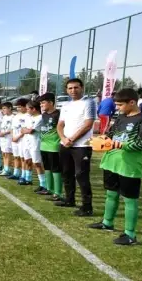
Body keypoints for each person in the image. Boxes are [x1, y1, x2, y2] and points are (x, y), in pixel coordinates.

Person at [88, 88, 142, 245]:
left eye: (120, 105)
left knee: (130, 200)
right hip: (111, 162)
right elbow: (110, 135)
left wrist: (119, 144)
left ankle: (130, 235)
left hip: (129, 166)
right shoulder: (121, 118)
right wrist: (102, 138)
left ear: (132, 102)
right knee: (111, 194)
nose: (117, 108)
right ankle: (107, 222)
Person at [56, 78, 96, 216]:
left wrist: (72, 139)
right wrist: (63, 139)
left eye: (76, 87)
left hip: (81, 146)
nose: (73, 90)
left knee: (81, 175)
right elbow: (60, 125)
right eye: (70, 88)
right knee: (66, 173)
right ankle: (69, 199)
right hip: (65, 144)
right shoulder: (66, 105)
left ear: (82, 88)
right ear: (67, 90)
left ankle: (87, 207)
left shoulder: (89, 102)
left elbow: (88, 124)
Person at [39, 93, 63, 200]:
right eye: (41, 103)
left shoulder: (59, 115)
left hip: (54, 146)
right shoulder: (44, 115)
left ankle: (58, 192)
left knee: (56, 169)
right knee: (47, 167)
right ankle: (49, 189)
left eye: (43, 103)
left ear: (51, 102)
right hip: (43, 145)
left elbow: (63, 129)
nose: (41, 105)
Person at [20, 100, 44, 187]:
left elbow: (30, 130)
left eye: (28, 109)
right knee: (27, 160)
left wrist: (27, 130)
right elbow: (23, 129)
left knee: (37, 163)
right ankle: (28, 178)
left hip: (35, 142)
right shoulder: (29, 117)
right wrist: (26, 130)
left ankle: (43, 183)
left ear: (33, 109)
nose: (27, 111)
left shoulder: (40, 118)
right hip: (26, 142)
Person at [9, 98, 29, 181]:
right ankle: (16, 173)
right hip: (15, 139)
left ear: (25, 107)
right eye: (17, 107)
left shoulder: (28, 116)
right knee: (16, 156)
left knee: (23, 158)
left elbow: (26, 129)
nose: (18, 109)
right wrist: (13, 137)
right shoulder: (16, 116)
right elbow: (12, 128)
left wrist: (18, 137)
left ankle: (24, 175)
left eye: (20, 107)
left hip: (23, 139)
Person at [0, 102, 13, 175]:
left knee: (7, 154)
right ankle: (5, 168)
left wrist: (4, 133)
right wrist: (0, 132)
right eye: (2, 108)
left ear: (10, 108)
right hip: (2, 138)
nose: (3, 110)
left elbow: (12, 129)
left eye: (4, 108)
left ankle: (8, 169)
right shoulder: (4, 117)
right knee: (3, 153)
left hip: (8, 138)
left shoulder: (13, 117)